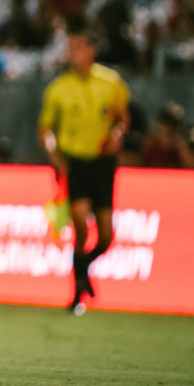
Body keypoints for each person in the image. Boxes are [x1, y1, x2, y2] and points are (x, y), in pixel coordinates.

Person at [38, 26, 130, 313]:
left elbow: (122, 118)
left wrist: (117, 136)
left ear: (92, 50)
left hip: (103, 163)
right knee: (79, 223)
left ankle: (83, 269)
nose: (71, 54)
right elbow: (45, 128)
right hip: (76, 162)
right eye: (69, 49)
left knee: (105, 236)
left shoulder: (111, 82)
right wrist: (54, 154)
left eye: (77, 48)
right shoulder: (58, 88)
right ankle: (77, 292)